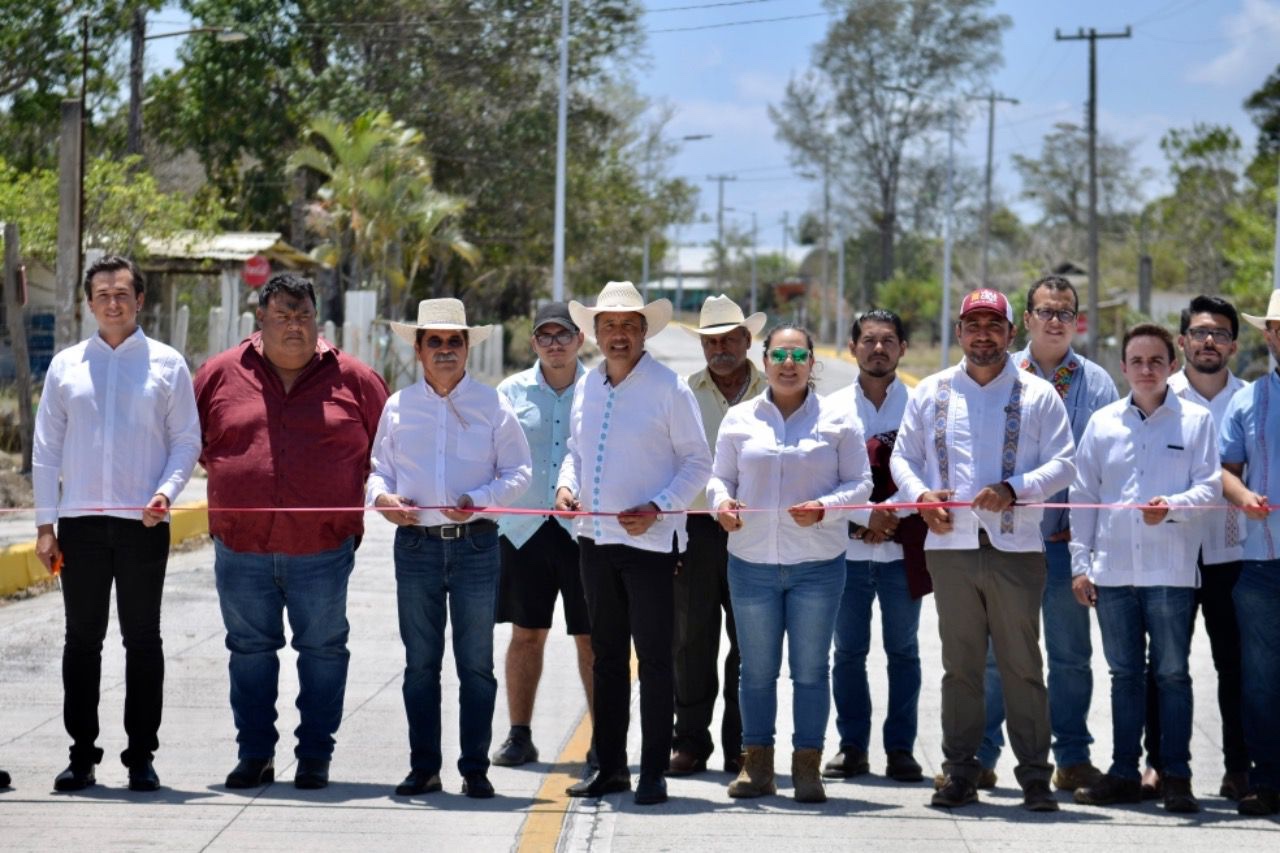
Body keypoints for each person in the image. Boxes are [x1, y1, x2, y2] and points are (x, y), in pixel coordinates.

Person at [195, 273, 388, 791]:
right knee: (249, 653)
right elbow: (185, 442)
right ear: (261, 319)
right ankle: (254, 754)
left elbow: (389, 452)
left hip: (322, 550)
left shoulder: (356, 379)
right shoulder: (217, 375)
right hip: (242, 548)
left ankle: (314, 757)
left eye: (302, 316)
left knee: (323, 652)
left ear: (318, 320)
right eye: (282, 316)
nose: (294, 326)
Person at [891, 287, 1075, 812]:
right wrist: (921, 497)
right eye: (974, 324)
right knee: (961, 667)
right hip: (949, 545)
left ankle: (1036, 776)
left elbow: (1065, 462)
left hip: (1016, 547)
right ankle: (959, 772)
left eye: (994, 325)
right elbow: (904, 458)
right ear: (959, 333)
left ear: (1010, 334)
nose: (983, 334)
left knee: (1021, 666)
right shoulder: (931, 391)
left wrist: (1015, 488)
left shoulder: (1038, 395)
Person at [32, 254, 201, 792]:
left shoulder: (168, 364)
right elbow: (45, 449)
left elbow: (186, 442)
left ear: (140, 300)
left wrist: (166, 493)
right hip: (79, 524)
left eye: (122, 293)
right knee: (81, 641)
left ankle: (140, 757)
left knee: (143, 640)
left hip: (142, 526)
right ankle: (81, 755)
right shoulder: (66, 366)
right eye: (102, 294)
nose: (112, 302)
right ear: (88, 304)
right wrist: (44, 525)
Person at [555, 281, 712, 806]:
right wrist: (565, 485)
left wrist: (660, 507)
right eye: (608, 325)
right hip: (594, 542)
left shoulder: (670, 387)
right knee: (605, 659)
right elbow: (575, 451)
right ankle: (611, 768)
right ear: (593, 332)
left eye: (628, 326)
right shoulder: (587, 385)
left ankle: (652, 773)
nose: (617, 335)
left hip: (650, 545)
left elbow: (698, 462)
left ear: (644, 332)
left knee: (655, 659)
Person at [369, 298, 531, 799]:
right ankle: (424, 768)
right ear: (418, 349)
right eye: (434, 341)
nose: (444, 350)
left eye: (453, 341)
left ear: (467, 349)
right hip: (415, 547)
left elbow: (519, 472)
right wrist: (382, 499)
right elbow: (378, 470)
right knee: (421, 663)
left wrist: (479, 501)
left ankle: (475, 768)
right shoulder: (398, 406)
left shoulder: (493, 405)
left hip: (477, 548)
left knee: (475, 665)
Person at [710, 324, 872, 803]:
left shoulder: (839, 419)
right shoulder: (740, 419)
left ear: (812, 363)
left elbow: (860, 485)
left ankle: (807, 768)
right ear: (764, 362)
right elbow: (719, 478)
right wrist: (722, 504)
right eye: (779, 354)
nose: (788, 363)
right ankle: (757, 767)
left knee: (809, 670)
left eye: (798, 354)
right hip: (751, 563)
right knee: (755, 671)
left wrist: (825, 507)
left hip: (818, 565)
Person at [1069, 323, 1221, 814]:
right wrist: (1080, 565)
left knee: (1173, 674)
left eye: (1156, 360)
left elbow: (1211, 489)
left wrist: (1171, 506)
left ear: (1172, 365)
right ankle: (1123, 772)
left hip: (1171, 574)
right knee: (1124, 675)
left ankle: (1176, 773)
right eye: (1137, 361)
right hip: (1112, 574)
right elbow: (1083, 498)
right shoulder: (1103, 423)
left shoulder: (1196, 421)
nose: (1147, 369)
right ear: (1124, 367)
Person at [977, 275, 1117, 792]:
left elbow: (1103, 467)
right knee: (997, 655)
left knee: (1071, 656)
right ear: (1027, 320)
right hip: (1010, 541)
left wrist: (1088, 538)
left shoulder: (1099, 384)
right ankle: (982, 753)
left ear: (1076, 321)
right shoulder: (1001, 374)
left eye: (1066, 312)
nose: (1056, 320)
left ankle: (1073, 758)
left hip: (1065, 546)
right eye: (1045, 311)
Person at [1142, 296, 1250, 801]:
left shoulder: (1250, 401)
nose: (1210, 341)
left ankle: (1240, 768)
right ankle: (1158, 764)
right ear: (1182, 340)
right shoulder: (1158, 398)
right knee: (1164, 665)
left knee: (1238, 667)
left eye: (1221, 333)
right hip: (1172, 552)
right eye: (1200, 332)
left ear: (1234, 343)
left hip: (1235, 557)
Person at [824, 309, 928, 784]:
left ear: (903, 348)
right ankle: (852, 747)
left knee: (903, 652)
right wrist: (863, 518)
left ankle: (901, 749)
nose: (879, 348)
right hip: (845, 553)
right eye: (869, 340)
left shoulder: (923, 404)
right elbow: (824, 478)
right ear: (853, 348)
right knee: (847, 653)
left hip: (902, 552)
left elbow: (930, 472)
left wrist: (890, 520)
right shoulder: (830, 408)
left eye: (888, 340)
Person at [490, 302, 592, 768]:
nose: (555, 343)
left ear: (580, 340)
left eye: (563, 334)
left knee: (591, 638)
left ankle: (602, 739)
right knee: (526, 634)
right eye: (545, 336)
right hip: (523, 530)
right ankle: (518, 734)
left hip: (583, 531)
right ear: (533, 342)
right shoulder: (509, 392)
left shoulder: (600, 390)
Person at [671, 295, 767, 777]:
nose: (722, 348)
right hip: (696, 530)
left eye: (730, 339)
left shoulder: (775, 391)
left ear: (748, 341)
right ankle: (689, 741)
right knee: (691, 641)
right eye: (712, 341)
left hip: (757, 530)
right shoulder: (684, 392)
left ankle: (741, 745)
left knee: (749, 643)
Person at [1219, 290, 1280, 816]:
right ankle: (1267, 779)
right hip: (1261, 560)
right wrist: (1243, 498)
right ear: (1271, 335)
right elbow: (1224, 472)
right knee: (1259, 678)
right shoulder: (1247, 400)